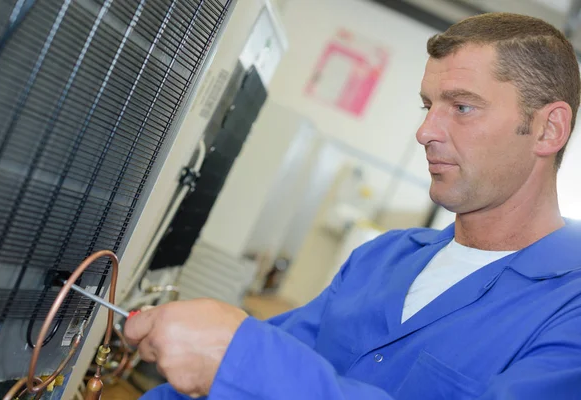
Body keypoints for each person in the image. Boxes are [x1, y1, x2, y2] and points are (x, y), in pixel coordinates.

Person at [124, 12, 581, 399]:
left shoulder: (570, 306)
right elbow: (254, 361)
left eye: (462, 107)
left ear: (548, 129)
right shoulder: (383, 258)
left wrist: (242, 358)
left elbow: (250, 364)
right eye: (427, 106)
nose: (425, 132)